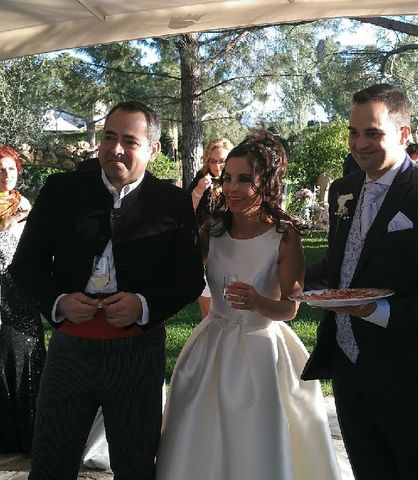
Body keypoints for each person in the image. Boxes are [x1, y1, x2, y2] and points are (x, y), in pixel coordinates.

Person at [10, 100, 204, 480]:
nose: (116, 149)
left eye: (130, 141)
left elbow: (189, 278)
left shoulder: (172, 202)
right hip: (70, 350)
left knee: (135, 463)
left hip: (138, 351)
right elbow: (25, 267)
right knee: (50, 461)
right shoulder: (62, 190)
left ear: (153, 149)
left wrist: (144, 305)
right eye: (109, 137)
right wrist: (59, 301)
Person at [302, 84, 418, 480]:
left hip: (409, 373)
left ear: (404, 133)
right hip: (349, 366)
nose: (359, 144)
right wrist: (295, 277)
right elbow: (344, 263)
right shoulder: (343, 191)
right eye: (353, 132)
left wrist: (377, 311)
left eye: (373, 133)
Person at [156, 130, 341, 480]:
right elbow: (182, 273)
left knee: (256, 436)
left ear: (267, 183)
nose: (232, 188)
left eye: (244, 179)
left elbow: (290, 308)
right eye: (227, 178)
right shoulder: (213, 229)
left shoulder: (283, 237)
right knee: (198, 429)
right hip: (211, 346)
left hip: (262, 350)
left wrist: (259, 302)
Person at [0, 144, 45, 454]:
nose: (7, 175)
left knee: (25, 354)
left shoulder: (28, 206)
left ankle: (31, 433)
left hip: (23, 295)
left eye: (12, 169)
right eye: (1, 170)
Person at [188, 138, 234, 319]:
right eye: (212, 161)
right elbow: (185, 211)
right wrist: (199, 190)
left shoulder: (238, 180)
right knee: (208, 308)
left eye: (222, 160)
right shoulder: (202, 178)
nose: (217, 165)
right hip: (205, 247)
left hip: (231, 246)